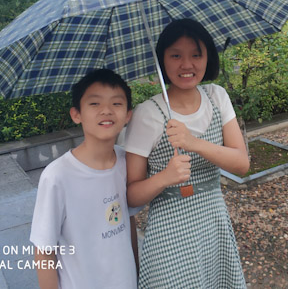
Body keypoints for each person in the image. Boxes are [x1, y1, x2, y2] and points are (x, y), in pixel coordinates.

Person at [125, 18, 250, 288]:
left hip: (214, 225)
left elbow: (241, 163)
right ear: (162, 60)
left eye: (196, 54)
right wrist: (164, 178)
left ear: (208, 57)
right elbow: (131, 195)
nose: (187, 65)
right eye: (175, 55)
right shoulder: (148, 114)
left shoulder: (217, 97)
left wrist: (194, 143)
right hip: (169, 236)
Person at [30, 68, 138, 289]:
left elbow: (131, 222)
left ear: (128, 115)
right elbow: (44, 251)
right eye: (95, 104)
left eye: (117, 103)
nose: (106, 111)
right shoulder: (57, 176)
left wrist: (136, 273)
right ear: (76, 114)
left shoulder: (126, 162)